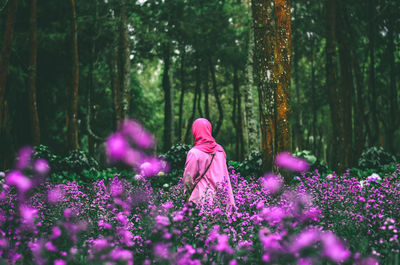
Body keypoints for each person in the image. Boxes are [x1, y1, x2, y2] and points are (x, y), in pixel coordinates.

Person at [183, 118, 236, 210]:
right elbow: (225, 176)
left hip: (201, 200)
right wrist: (229, 200)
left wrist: (186, 196)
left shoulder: (194, 153)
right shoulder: (220, 150)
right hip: (221, 199)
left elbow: (188, 179)